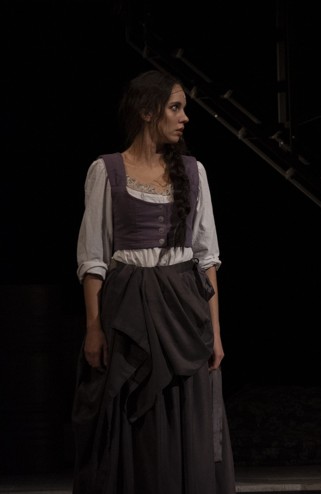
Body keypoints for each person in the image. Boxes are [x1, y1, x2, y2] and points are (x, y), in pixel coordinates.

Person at [71, 69, 236, 493]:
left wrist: (215, 332)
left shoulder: (193, 172)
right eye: (175, 108)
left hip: (184, 313)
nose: (184, 118)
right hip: (129, 312)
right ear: (147, 111)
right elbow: (93, 258)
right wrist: (93, 327)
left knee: (184, 416)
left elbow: (206, 259)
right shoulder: (107, 171)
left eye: (184, 109)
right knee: (134, 418)